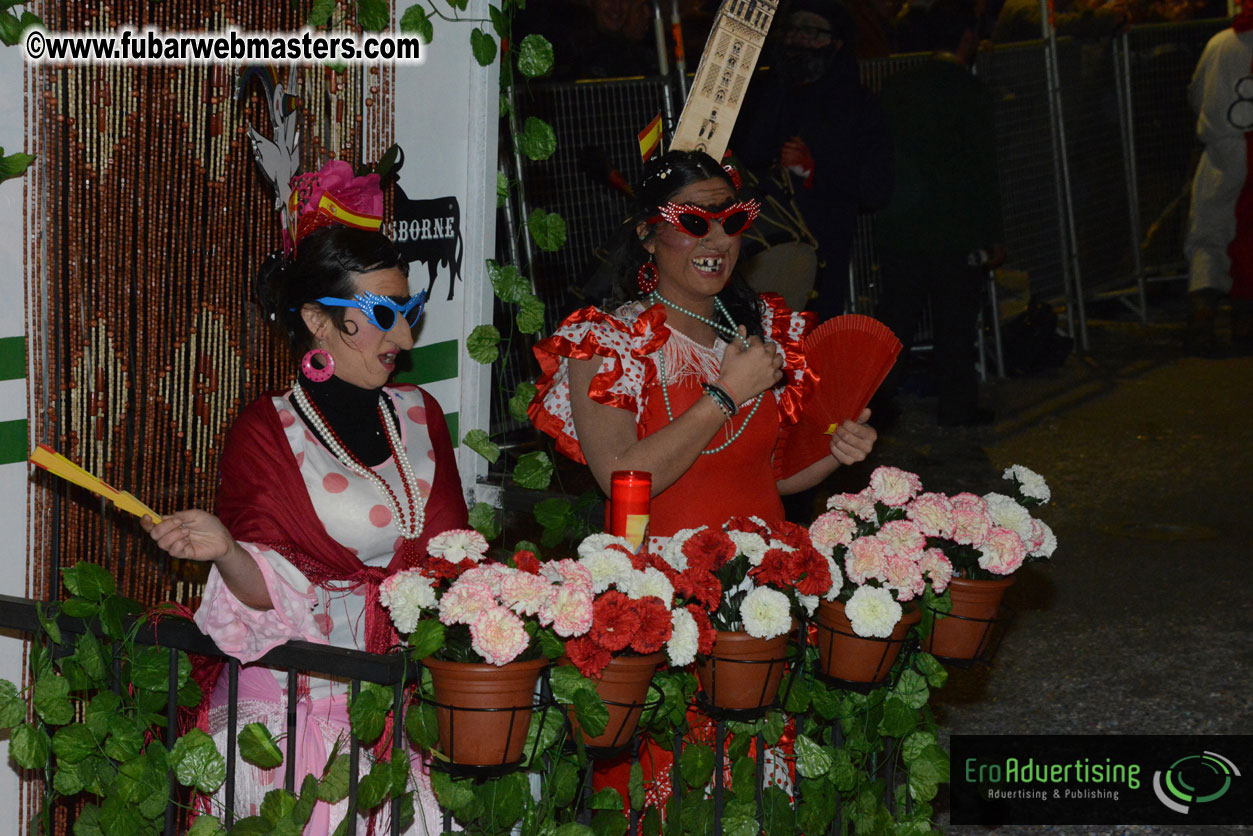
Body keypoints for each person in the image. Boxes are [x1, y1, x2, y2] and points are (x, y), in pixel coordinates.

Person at [143, 171, 468, 834]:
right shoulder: (268, 431)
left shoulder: (420, 411)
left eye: (409, 310)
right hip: (294, 723)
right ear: (319, 320)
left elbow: (455, 561)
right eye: (384, 314)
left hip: (397, 714)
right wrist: (227, 551)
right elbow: (264, 595)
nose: (403, 338)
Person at [530, 149, 877, 537]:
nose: (718, 241)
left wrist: (835, 449)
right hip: (662, 583)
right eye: (694, 222)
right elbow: (621, 478)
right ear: (647, 235)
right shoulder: (609, 343)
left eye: (732, 221)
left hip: (768, 573)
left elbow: (770, 476)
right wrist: (727, 394)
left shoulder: (762, 325)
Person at [872, 0, 1005, 427]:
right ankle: (957, 405)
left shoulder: (896, 87)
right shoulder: (971, 92)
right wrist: (992, 233)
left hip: (903, 226)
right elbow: (983, 170)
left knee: (895, 325)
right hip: (956, 231)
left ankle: (876, 406)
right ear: (967, 38)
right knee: (956, 324)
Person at [733, 0, 894, 322]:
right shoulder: (767, 92)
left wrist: (814, 170)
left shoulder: (857, 105)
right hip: (758, 246)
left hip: (824, 244)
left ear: (836, 43)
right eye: (793, 31)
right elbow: (747, 153)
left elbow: (875, 186)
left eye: (812, 33)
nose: (799, 41)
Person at [1184, 15, 1253, 354]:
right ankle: (1243, 323)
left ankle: (1203, 315)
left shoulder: (1219, 44)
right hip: (1244, 150)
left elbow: (1198, 93)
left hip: (1222, 151)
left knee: (1208, 232)